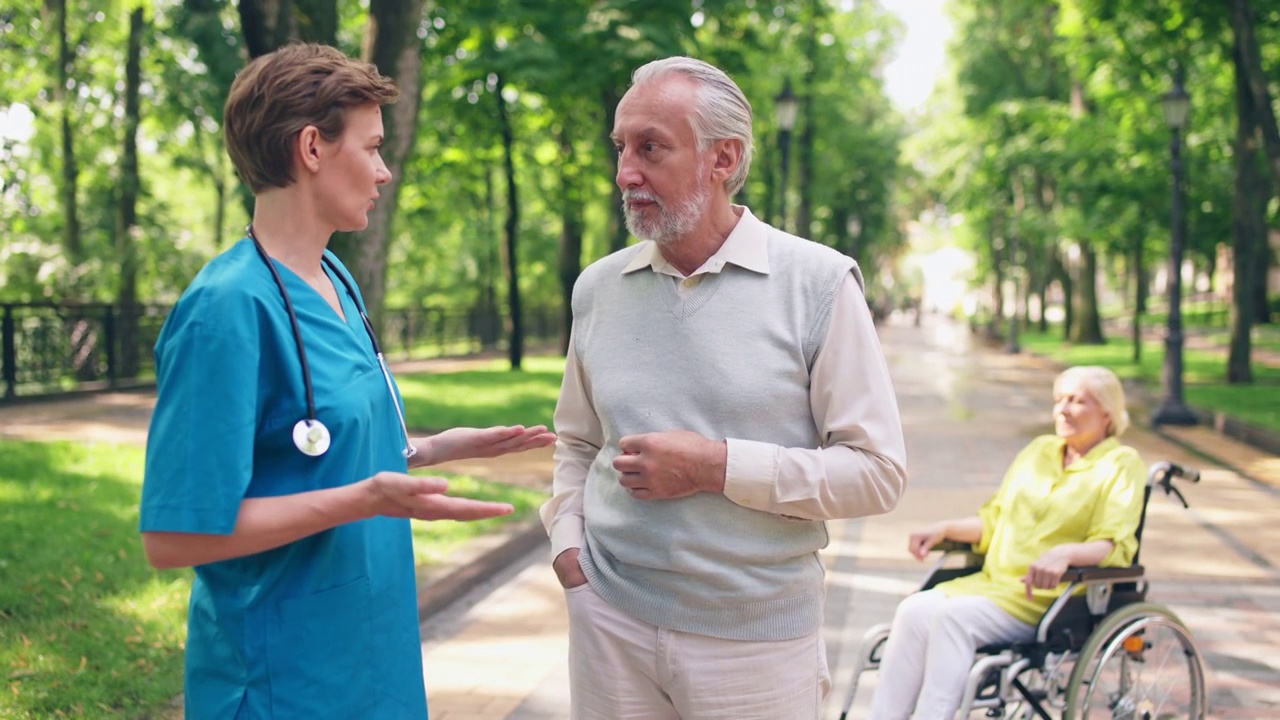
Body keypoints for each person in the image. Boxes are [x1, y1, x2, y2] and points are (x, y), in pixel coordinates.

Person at [138, 43, 555, 720]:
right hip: (280, 682)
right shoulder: (225, 309)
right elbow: (176, 537)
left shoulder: (336, 280)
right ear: (311, 148)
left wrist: (431, 449)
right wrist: (362, 499)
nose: (385, 171)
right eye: (371, 147)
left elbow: (314, 451)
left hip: (372, 659)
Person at [540, 56, 909, 719]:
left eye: (650, 148)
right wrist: (567, 544)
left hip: (756, 648)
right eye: (621, 147)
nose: (625, 172)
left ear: (722, 159)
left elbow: (877, 473)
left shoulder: (818, 284)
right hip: (610, 626)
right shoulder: (598, 288)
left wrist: (716, 467)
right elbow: (576, 439)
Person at [868, 365, 1146, 720]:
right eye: (1059, 399)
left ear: (1107, 412)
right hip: (990, 587)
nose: (1062, 409)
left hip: (1047, 598)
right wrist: (944, 529)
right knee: (912, 610)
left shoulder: (1121, 464)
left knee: (952, 620)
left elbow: (1113, 545)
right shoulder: (1040, 451)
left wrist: (1065, 553)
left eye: (1077, 401)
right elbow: (994, 521)